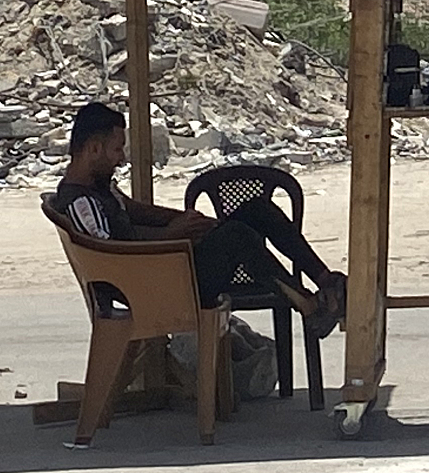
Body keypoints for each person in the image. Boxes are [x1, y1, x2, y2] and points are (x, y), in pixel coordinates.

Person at [54, 101, 345, 333]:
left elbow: (133, 210)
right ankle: (308, 307)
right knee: (236, 237)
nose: (121, 158)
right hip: (150, 284)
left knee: (257, 208)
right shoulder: (81, 202)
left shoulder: (99, 186)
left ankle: (325, 279)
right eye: (117, 149)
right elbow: (115, 254)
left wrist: (187, 220)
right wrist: (175, 234)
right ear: (94, 148)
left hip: (164, 264)